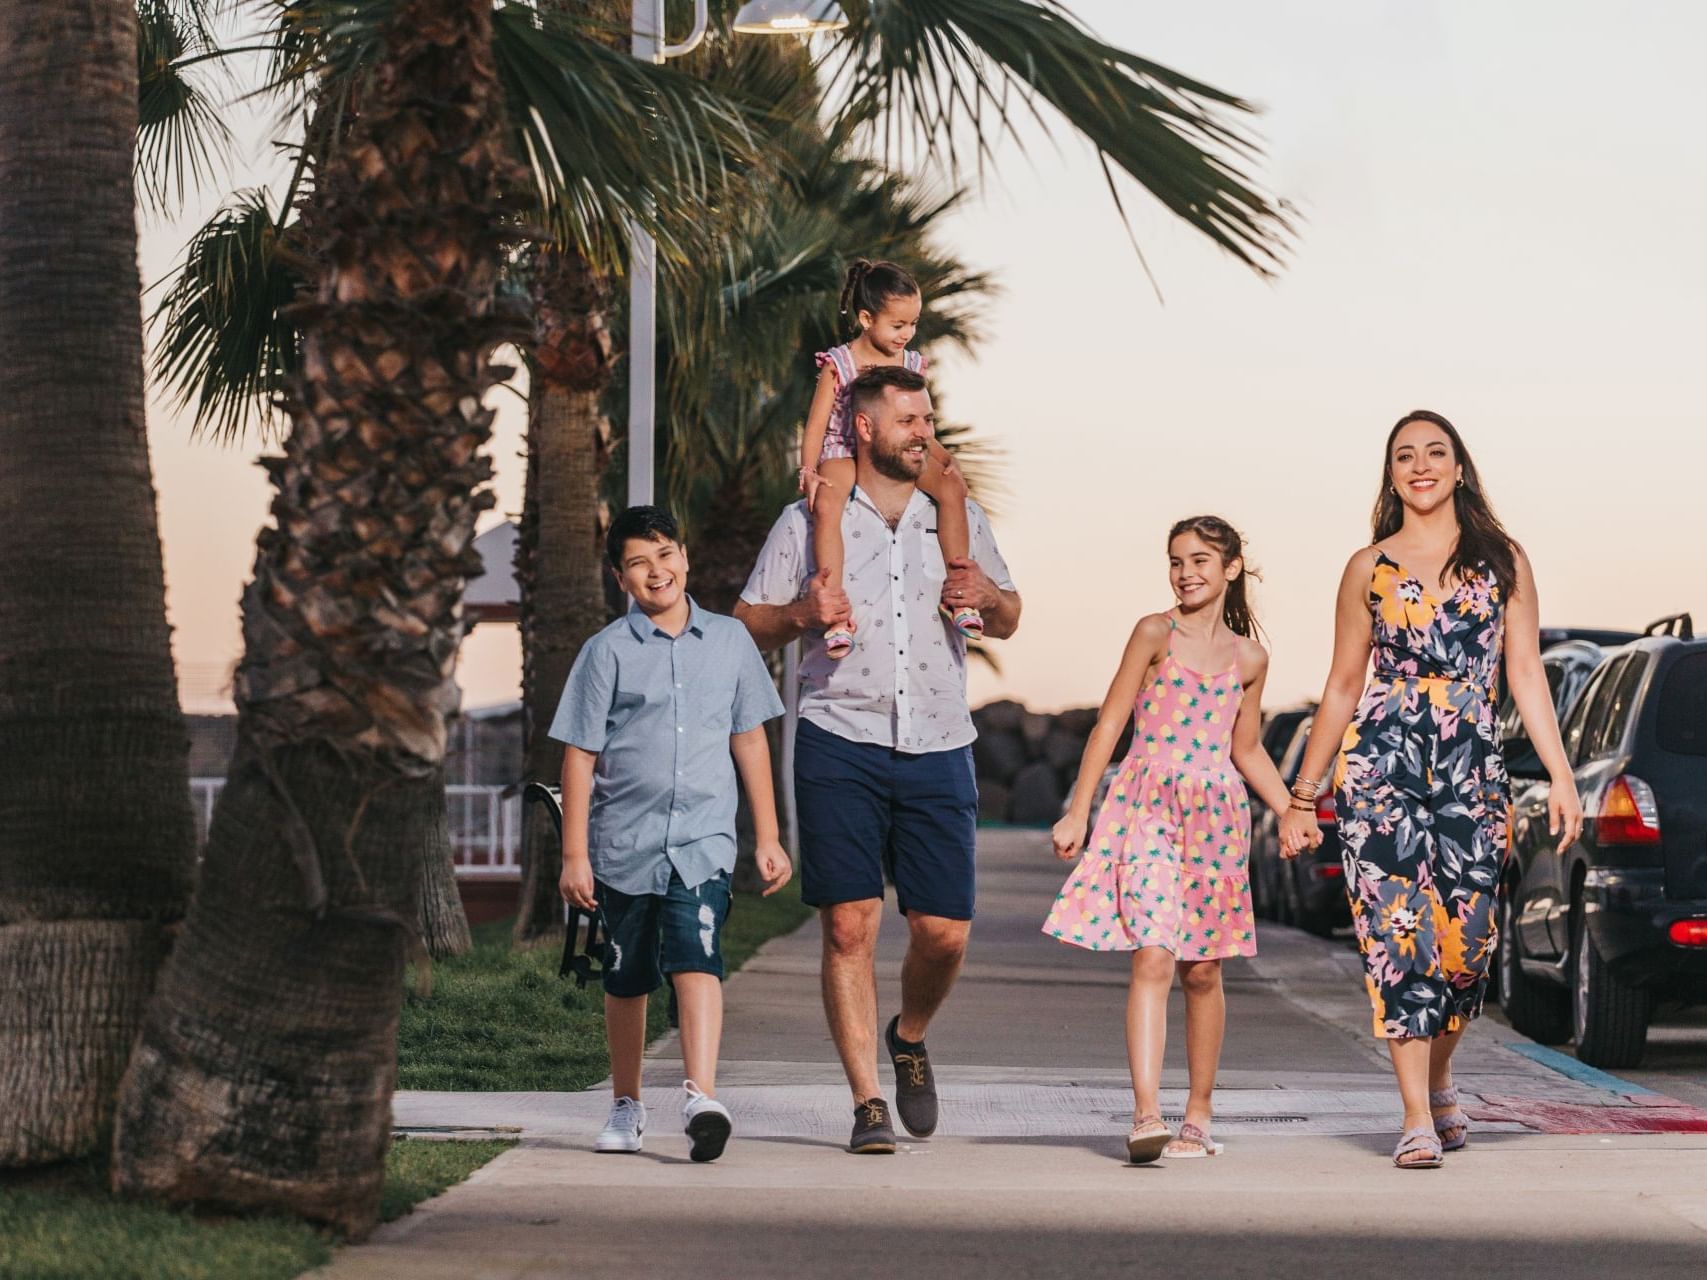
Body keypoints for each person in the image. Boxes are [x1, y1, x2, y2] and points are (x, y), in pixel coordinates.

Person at [1278, 410, 1582, 1170]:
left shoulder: (1501, 559)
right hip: (1381, 770)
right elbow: (1343, 683)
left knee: (1466, 949)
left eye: (1433, 452)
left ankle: (1440, 1079)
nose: (1419, 465)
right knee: (1397, 940)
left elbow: (1525, 676)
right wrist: (1300, 793)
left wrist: (1559, 774)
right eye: (1404, 456)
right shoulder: (1366, 566)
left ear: (1457, 467)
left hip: (1473, 771)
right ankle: (1414, 1113)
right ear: (1391, 474)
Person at [736, 365, 1021, 1154]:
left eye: (926, 417)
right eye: (907, 420)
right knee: (847, 928)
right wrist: (800, 613)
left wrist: (986, 599)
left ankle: (910, 1033)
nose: (922, 431)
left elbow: (1009, 615)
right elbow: (747, 622)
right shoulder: (808, 518)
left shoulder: (955, 513)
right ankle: (866, 1102)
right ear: (863, 428)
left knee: (943, 933)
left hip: (938, 739)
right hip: (838, 736)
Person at [1045, 516, 1297, 1164]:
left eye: (1200, 560)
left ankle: (1197, 1115)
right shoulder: (1153, 633)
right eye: (1176, 560)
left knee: (1203, 970)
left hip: (1215, 816)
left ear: (1230, 569)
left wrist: (1291, 809)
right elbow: (1109, 723)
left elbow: (1246, 749)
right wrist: (1079, 811)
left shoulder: (1249, 659)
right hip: (1147, 805)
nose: (1186, 572)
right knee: (1153, 953)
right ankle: (1145, 1113)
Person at [552, 505, 794, 1163]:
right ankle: (626, 1104)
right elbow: (579, 753)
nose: (655, 570)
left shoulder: (730, 642)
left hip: (702, 843)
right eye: (638, 562)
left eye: (664, 554)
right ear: (619, 577)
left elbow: (749, 738)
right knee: (626, 979)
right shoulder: (604, 652)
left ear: (683, 558)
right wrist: (574, 854)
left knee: (697, 957)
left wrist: (768, 837)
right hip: (623, 846)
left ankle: (699, 1095)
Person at [798, 259, 980, 659]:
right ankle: (836, 614)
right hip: (843, 448)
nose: (907, 334)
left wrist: (944, 456)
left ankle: (960, 594)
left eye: (913, 324)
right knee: (827, 504)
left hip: (897, 451)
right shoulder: (841, 363)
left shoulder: (912, 363)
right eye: (898, 325)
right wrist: (809, 471)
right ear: (866, 318)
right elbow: (816, 424)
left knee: (952, 490)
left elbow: (919, 423)